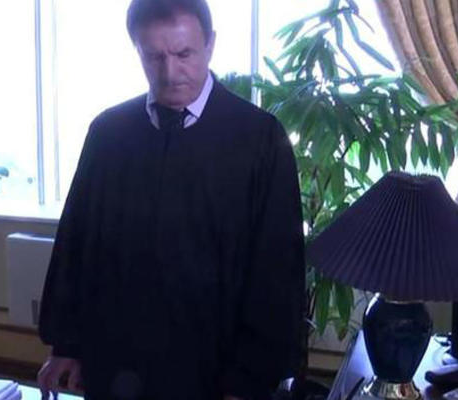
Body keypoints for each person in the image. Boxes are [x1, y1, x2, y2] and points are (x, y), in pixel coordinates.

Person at [36, 0, 305, 399]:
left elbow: (276, 269)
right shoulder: (109, 133)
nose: (170, 73)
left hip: (214, 370)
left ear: (210, 44)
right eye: (154, 57)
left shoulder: (259, 139)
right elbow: (77, 241)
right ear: (137, 51)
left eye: (184, 54)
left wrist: (247, 382)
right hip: (116, 361)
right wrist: (67, 345)